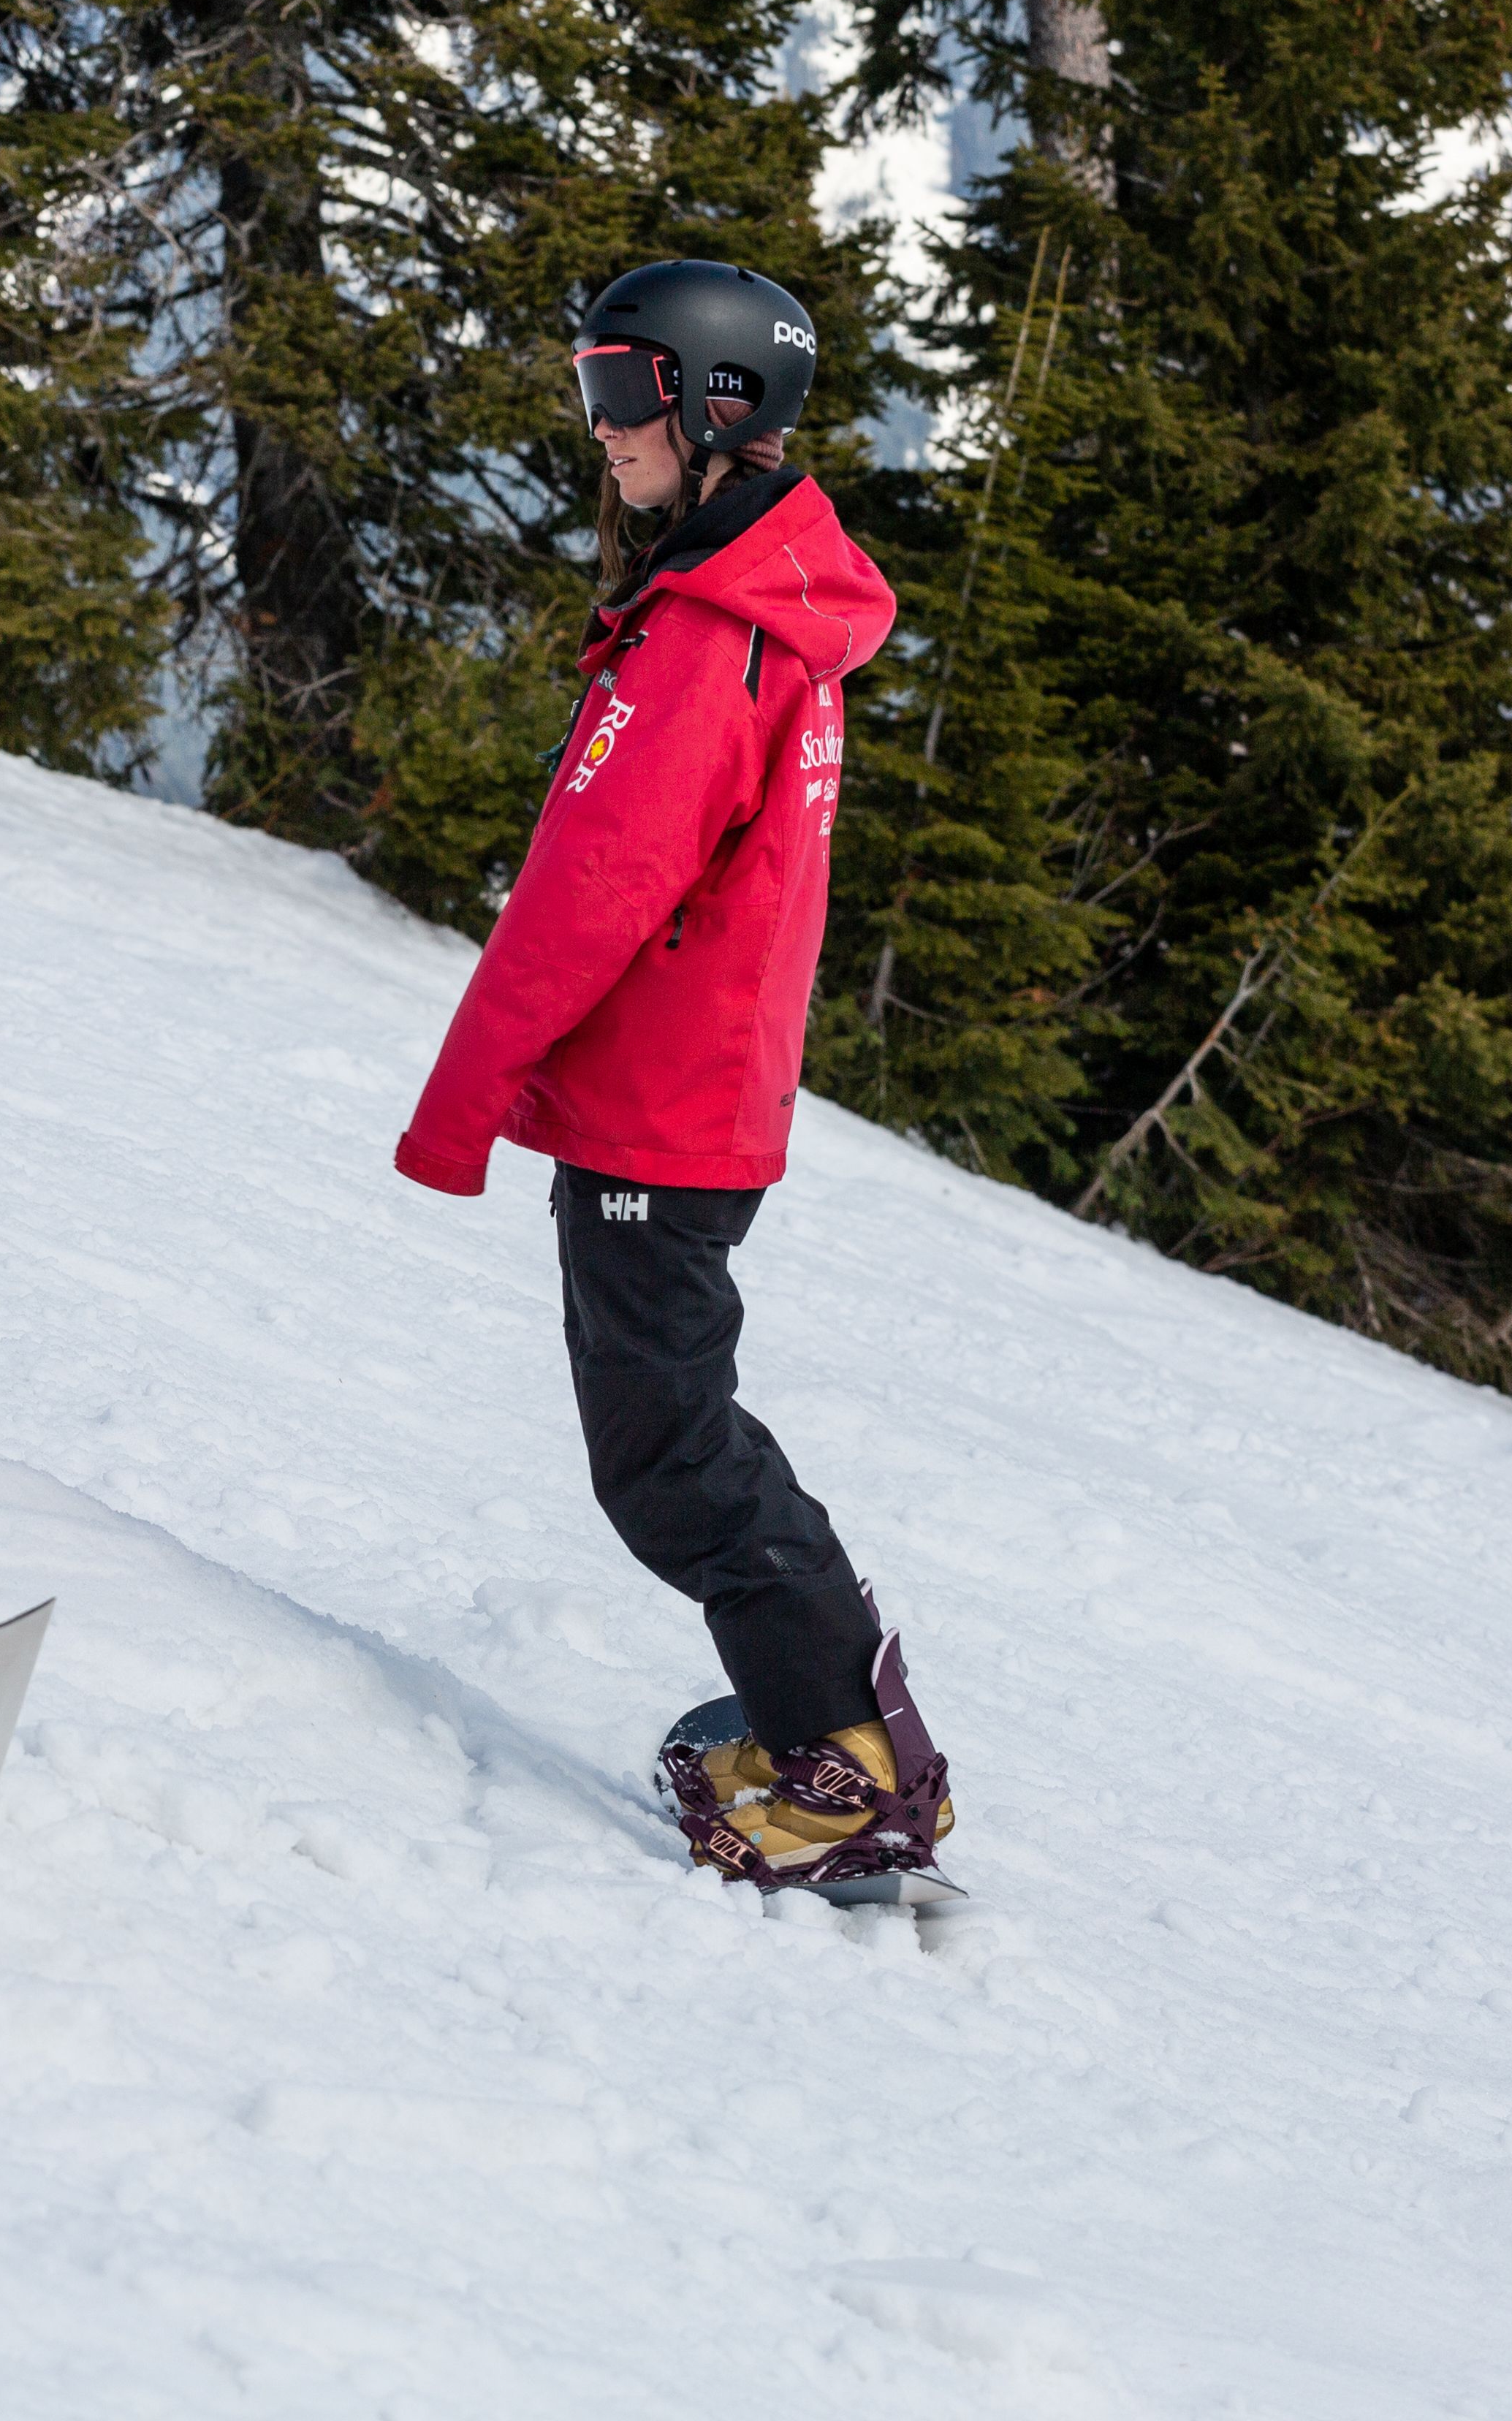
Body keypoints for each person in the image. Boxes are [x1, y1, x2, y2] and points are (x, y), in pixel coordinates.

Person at [390, 259, 957, 1894]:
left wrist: (459, 1110)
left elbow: (585, 892)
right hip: (696, 1099)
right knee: (676, 1439)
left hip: (661, 1115)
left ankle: (846, 1767)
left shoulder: (711, 641)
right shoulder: (760, 607)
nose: (602, 429)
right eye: (591, 390)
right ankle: (838, 1731)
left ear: (718, 405)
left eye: (624, 391)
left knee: (669, 1464)